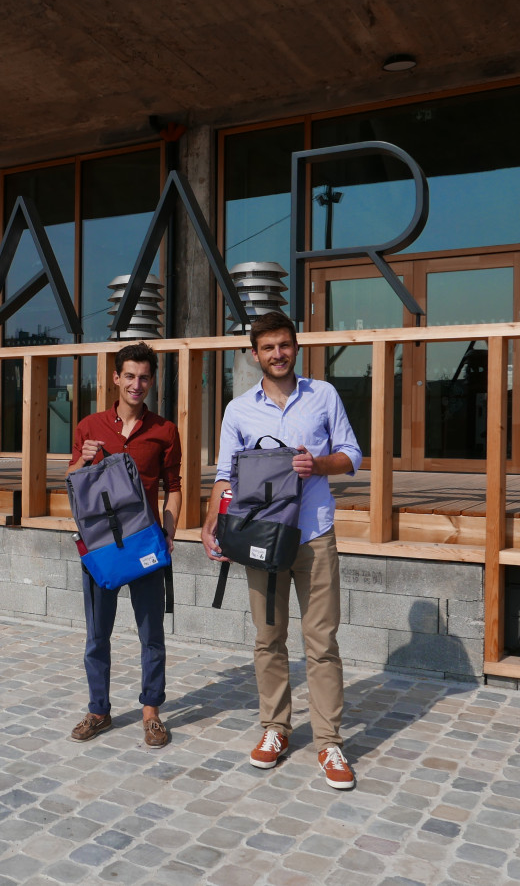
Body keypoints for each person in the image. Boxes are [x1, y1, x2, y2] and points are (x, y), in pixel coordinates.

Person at [200, 311, 361, 789]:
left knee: (322, 642)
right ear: (255, 353)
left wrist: (318, 464)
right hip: (261, 538)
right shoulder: (238, 410)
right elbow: (226, 475)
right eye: (267, 347)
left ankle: (329, 740)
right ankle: (275, 729)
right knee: (268, 638)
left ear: (297, 347)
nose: (277, 354)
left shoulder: (323, 396)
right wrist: (212, 521)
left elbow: (352, 455)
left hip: (313, 533)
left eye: (284, 346)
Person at [68, 341, 182, 749]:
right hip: (101, 549)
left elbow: (174, 487)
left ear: (152, 381)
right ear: (116, 378)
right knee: (97, 635)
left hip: (146, 544)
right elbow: (72, 481)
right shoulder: (89, 426)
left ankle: (151, 712)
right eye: (130, 376)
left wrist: (169, 533)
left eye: (144, 377)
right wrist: (83, 458)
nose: (137, 384)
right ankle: (99, 710)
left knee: (151, 634)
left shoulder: (165, 431)